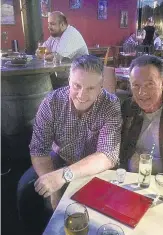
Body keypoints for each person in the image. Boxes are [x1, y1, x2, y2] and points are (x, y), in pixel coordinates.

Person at [17, 55, 122, 234]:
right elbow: (39, 150)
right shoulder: (52, 102)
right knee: (25, 190)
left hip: (95, 168)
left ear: (101, 87)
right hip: (59, 159)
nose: (82, 95)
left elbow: (107, 155)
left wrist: (63, 176)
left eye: (90, 88)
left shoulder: (110, 104)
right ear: (69, 80)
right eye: (77, 86)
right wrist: (53, 189)